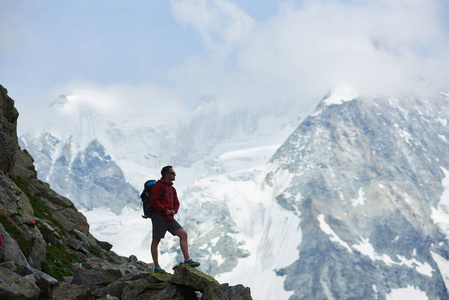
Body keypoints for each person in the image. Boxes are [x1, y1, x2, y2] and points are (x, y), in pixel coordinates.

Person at [150, 165, 200, 273]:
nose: (175, 175)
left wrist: (174, 211)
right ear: (167, 175)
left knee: (183, 234)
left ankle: (187, 259)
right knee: (156, 240)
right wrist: (165, 210)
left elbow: (176, 203)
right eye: (173, 173)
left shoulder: (172, 189)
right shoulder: (158, 186)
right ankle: (156, 267)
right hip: (159, 216)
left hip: (169, 217)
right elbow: (154, 201)